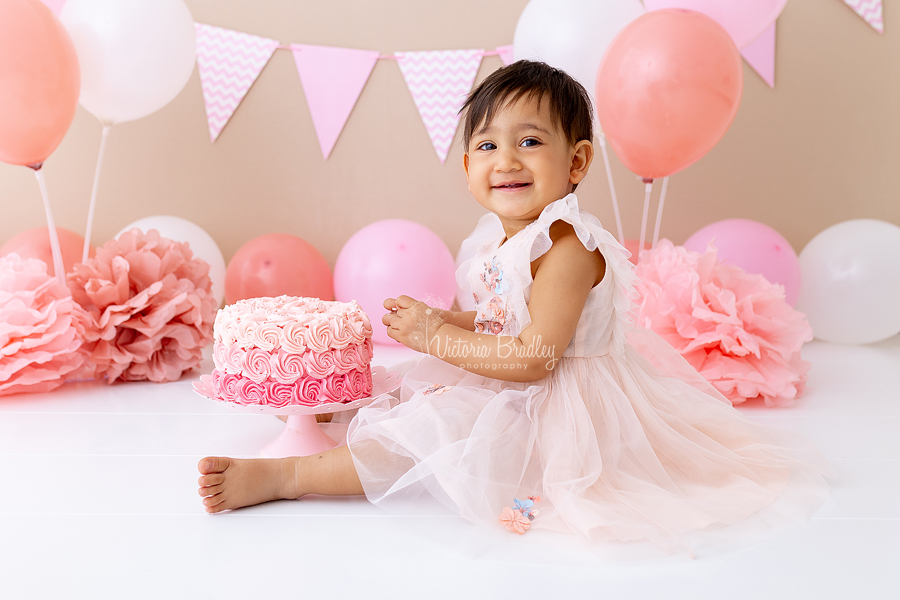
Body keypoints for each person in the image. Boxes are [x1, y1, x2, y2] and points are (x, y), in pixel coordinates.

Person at [197, 60, 832, 553]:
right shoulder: (505, 238)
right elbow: (508, 319)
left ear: (576, 162)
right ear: (468, 165)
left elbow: (534, 358)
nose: (506, 160)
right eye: (487, 145)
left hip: (559, 404)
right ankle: (322, 430)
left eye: (530, 141)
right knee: (403, 396)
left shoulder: (567, 249)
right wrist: (451, 321)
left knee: (425, 435)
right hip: (512, 374)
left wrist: (432, 336)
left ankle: (288, 478)